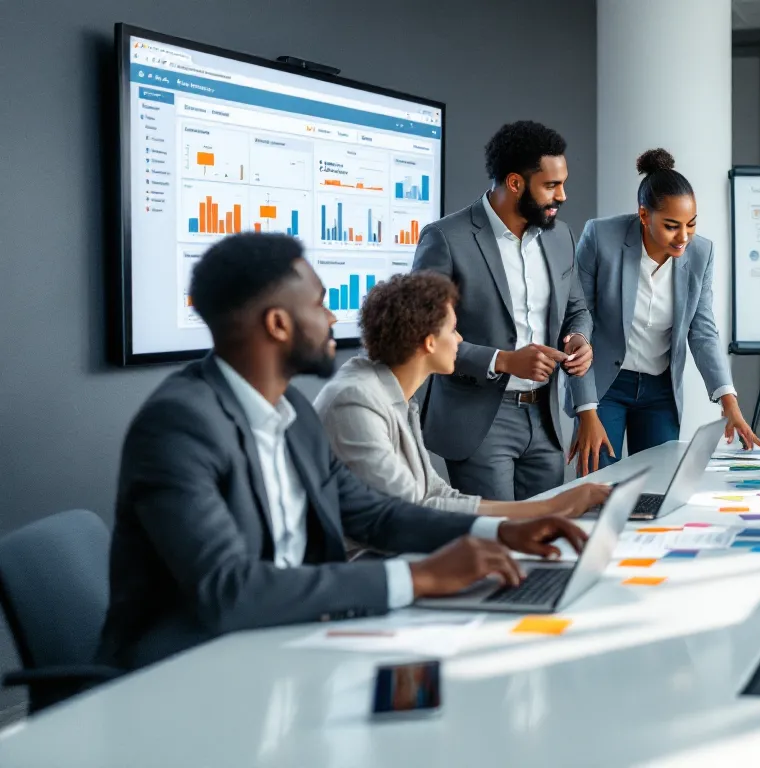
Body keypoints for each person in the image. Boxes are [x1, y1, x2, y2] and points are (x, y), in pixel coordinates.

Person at [98, 233, 587, 671]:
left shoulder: (290, 409)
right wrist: (418, 577)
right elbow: (229, 591)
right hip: (190, 670)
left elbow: (371, 514)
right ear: (277, 324)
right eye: (319, 304)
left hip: (290, 636)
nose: (333, 317)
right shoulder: (180, 426)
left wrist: (502, 530)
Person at [314, 271, 609, 519]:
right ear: (429, 343)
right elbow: (412, 511)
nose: (460, 340)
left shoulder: (395, 393)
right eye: (453, 330)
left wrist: (539, 511)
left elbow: (436, 494)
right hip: (370, 565)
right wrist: (547, 508)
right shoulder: (356, 400)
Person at [413, 120, 593, 501]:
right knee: (497, 545)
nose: (562, 196)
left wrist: (579, 338)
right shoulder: (446, 238)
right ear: (515, 183)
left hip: (545, 419)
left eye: (562, 183)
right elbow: (424, 336)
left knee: (546, 534)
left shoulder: (561, 236)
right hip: (480, 421)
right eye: (550, 185)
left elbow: (576, 308)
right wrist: (504, 361)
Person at [567, 149, 760, 475]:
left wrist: (728, 402)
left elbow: (702, 329)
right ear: (644, 216)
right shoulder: (601, 237)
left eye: (691, 224)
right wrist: (586, 409)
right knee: (597, 488)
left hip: (659, 392)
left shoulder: (701, 253)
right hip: (606, 386)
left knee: (656, 489)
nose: (684, 237)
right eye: (672, 226)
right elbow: (579, 315)